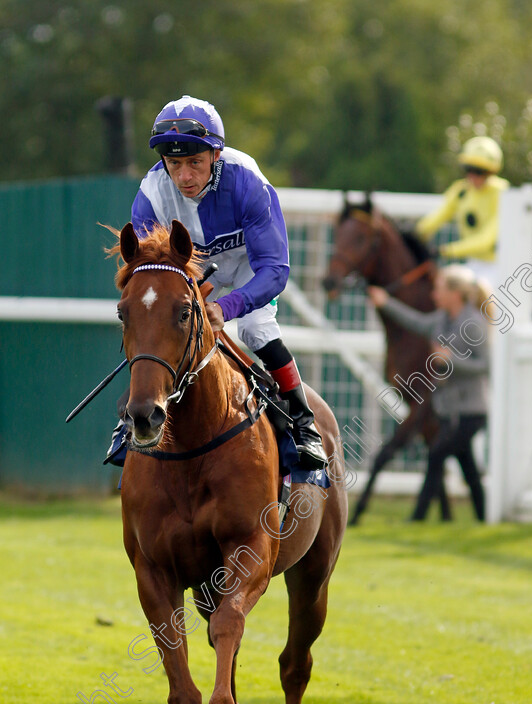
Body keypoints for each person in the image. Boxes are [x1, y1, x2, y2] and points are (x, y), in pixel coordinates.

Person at [109, 95, 327, 470]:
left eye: (195, 162)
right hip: (190, 272)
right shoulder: (151, 194)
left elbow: (274, 271)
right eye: (174, 164)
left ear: (216, 155)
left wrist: (225, 307)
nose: (185, 176)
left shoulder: (248, 182)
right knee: (158, 324)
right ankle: (130, 419)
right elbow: (149, 276)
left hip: (248, 267)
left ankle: (305, 426)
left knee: (257, 329)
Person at [368, 265, 490, 521]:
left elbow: (485, 366)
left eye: (439, 290)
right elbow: (414, 321)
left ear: (455, 294)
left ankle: (418, 517)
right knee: (467, 468)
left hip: (471, 411)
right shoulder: (440, 319)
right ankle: (484, 518)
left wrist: (450, 359)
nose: (434, 295)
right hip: (450, 410)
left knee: (436, 454)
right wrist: (386, 303)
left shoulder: (474, 323)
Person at [415, 136, 509, 284]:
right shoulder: (461, 191)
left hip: (498, 267)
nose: (472, 176)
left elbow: (486, 240)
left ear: (491, 171)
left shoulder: (502, 192)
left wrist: (447, 250)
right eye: (468, 169)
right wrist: (415, 234)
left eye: (479, 171)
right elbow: (436, 218)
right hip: (472, 264)